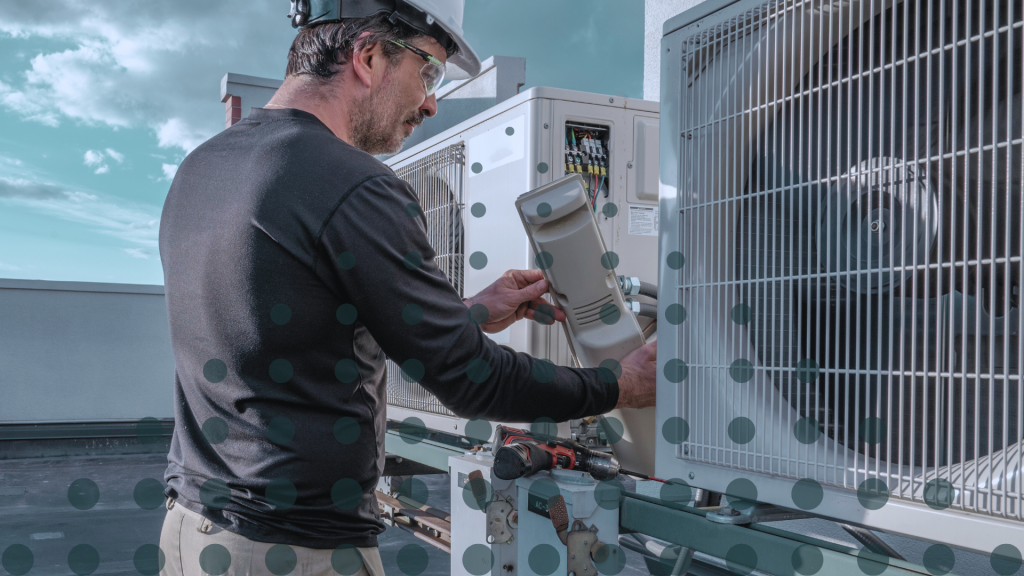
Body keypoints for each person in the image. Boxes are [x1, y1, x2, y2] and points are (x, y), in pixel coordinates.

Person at [157, 2, 656, 575]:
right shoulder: (353, 184)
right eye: (429, 72)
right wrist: (619, 385)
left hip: (192, 528)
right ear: (368, 57)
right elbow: (475, 382)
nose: (430, 103)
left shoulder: (202, 167)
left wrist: (465, 314)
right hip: (288, 550)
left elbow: (291, 330)